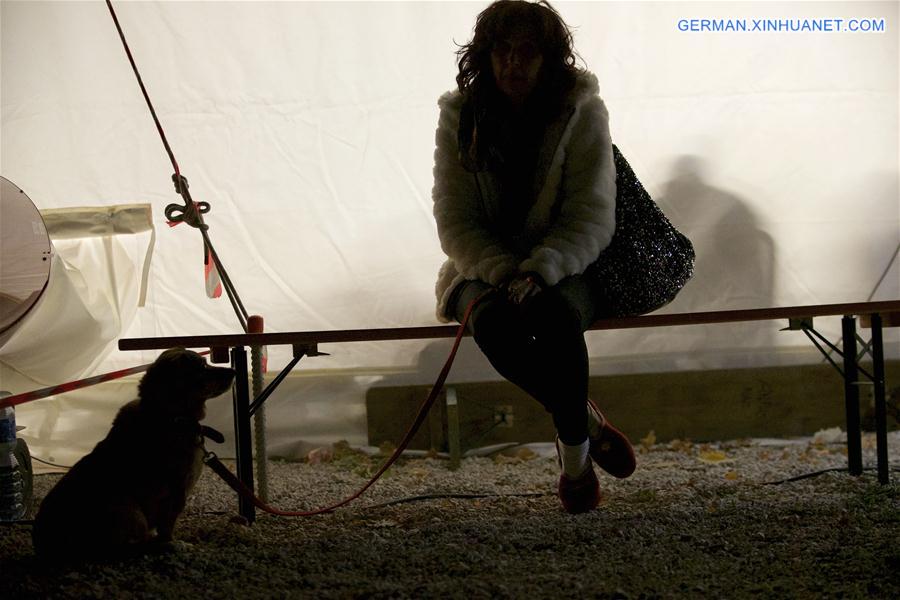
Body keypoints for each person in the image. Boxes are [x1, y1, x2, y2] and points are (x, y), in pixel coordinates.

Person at [432, 0, 636, 514]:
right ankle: (585, 422)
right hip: (481, 266)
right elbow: (455, 220)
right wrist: (503, 272)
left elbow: (591, 214)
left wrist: (541, 271)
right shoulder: (461, 116)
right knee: (495, 322)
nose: (512, 63)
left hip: (569, 263)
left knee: (554, 317)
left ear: (548, 59)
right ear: (485, 54)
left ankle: (574, 464)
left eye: (526, 51)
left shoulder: (580, 111)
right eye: (502, 50)